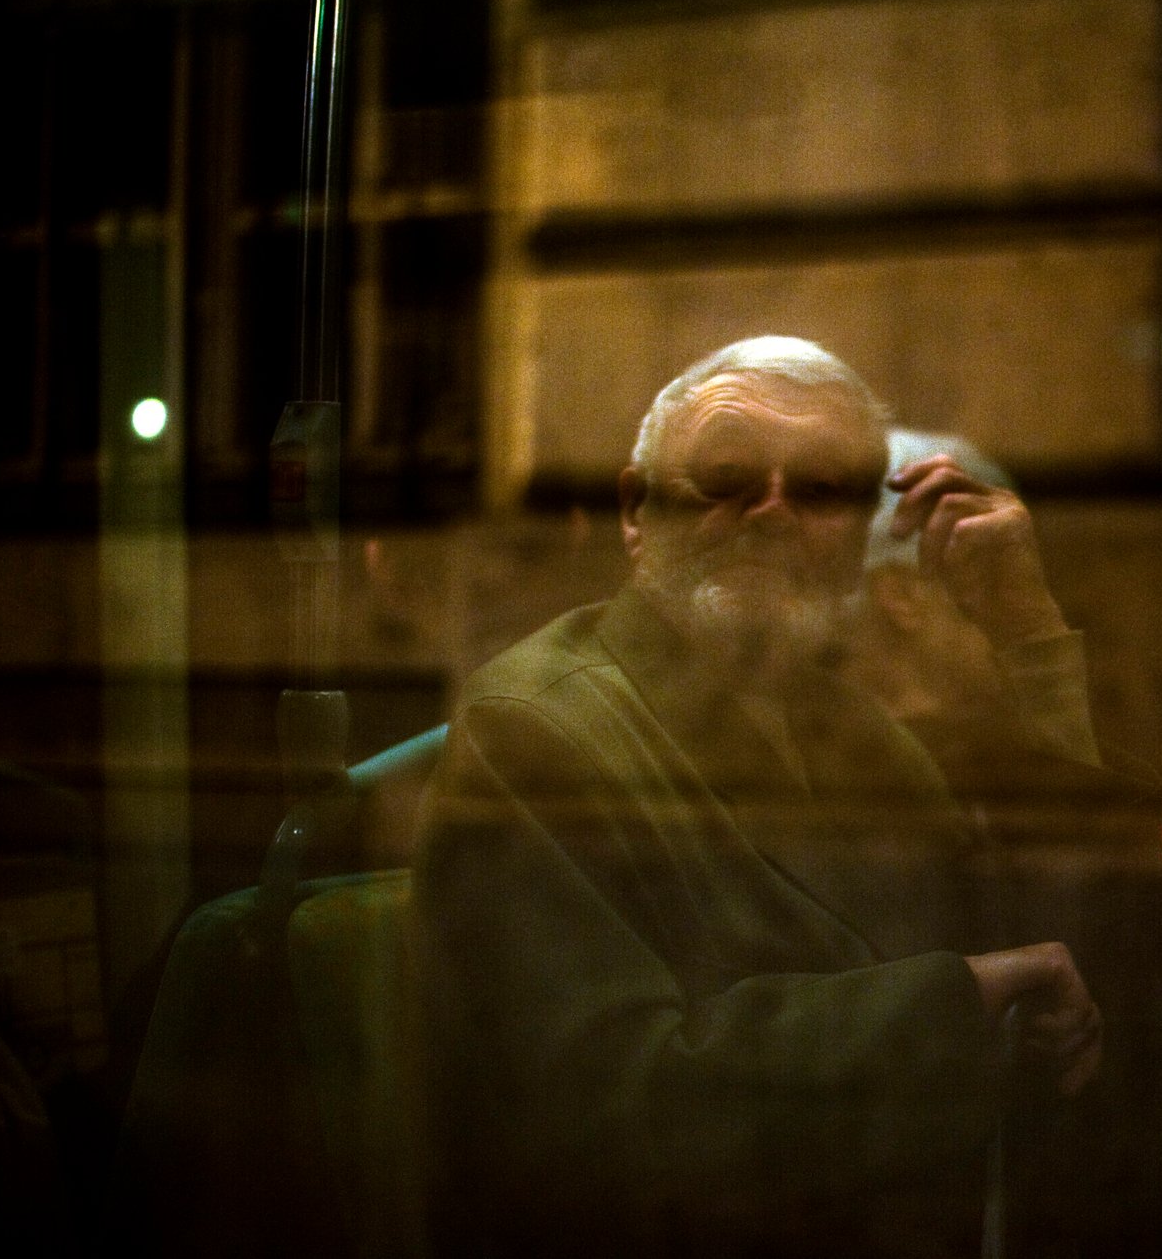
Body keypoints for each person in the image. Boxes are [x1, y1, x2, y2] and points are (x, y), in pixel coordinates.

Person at [412, 336, 1118, 1257]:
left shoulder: (860, 733)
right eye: (726, 478)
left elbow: (1056, 934)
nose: (772, 514)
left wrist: (1025, 633)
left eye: (822, 490)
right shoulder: (541, 730)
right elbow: (597, 1118)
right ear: (637, 510)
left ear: (865, 529)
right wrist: (955, 1009)